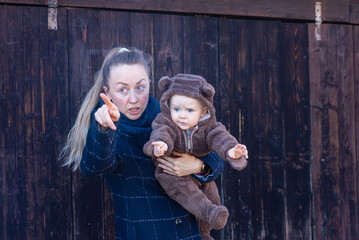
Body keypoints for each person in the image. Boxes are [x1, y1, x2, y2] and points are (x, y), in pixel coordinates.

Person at [59, 47, 225, 240]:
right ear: (108, 92)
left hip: (189, 234)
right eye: (122, 90)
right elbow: (93, 165)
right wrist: (103, 129)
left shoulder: (171, 116)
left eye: (140, 87)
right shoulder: (108, 129)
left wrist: (198, 167)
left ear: (149, 83)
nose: (134, 99)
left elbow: (216, 160)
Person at [143, 74, 248, 240]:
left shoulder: (208, 126)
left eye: (190, 110)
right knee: (189, 193)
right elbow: (162, 133)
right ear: (168, 105)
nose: (182, 115)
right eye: (176, 109)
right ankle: (209, 212)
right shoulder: (166, 122)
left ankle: (205, 232)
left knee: (211, 193)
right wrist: (161, 144)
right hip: (171, 173)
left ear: (203, 111)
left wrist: (231, 150)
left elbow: (220, 136)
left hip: (197, 174)